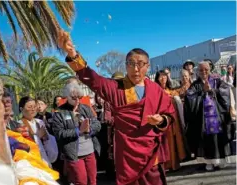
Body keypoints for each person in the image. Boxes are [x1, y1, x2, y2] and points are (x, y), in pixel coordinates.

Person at [57, 30, 175, 185]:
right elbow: (93, 80)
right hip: (128, 153)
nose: (136, 69)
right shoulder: (115, 88)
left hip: (151, 152)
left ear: (148, 65)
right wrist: (73, 54)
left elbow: (169, 114)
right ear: (126, 66)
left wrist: (161, 120)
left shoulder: (155, 89)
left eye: (140, 64)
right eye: (131, 64)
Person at [184, 61, 236, 171]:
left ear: (210, 69)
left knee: (218, 138)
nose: (203, 72)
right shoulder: (195, 84)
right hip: (202, 119)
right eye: (201, 70)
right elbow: (190, 97)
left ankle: (220, 159)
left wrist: (213, 90)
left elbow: (225, 91)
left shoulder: (217, 81)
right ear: (198, 71)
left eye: (206, 69)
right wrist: (203, 91)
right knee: (206, 140)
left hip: (217, 116)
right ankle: (208, 162)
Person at [52, 83, 101, 185]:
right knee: (81, 181)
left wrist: (89, 129)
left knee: (93, 181)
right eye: (74, 98)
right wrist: (78, 130)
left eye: (79, 97)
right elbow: (59, 133)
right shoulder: (60, 112)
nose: (77, 100)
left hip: (90, 151)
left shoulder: (85, 108)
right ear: (67, 97)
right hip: (74, 154)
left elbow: (97, 124)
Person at [154, 70, 187, 171]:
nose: (163, 78)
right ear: (157, 79)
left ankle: (174, 165)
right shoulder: (155, 91)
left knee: (174, 141)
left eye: (164, 76)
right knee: (166, 142)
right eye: (160, 77)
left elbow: (180, 92)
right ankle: (166, 165)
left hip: (173, 120)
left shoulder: (170, 90)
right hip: (163, 120)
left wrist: (186, 82)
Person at [18, 96, 58, 167]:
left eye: (34, 106)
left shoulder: (39, 122)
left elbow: (49, 144)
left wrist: (46, 138)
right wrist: (37, 137)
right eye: (30, 107)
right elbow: (24, 148)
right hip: (33, 163)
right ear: (21, 109)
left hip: (45, 160)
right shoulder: (19, 125)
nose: (33, 109)